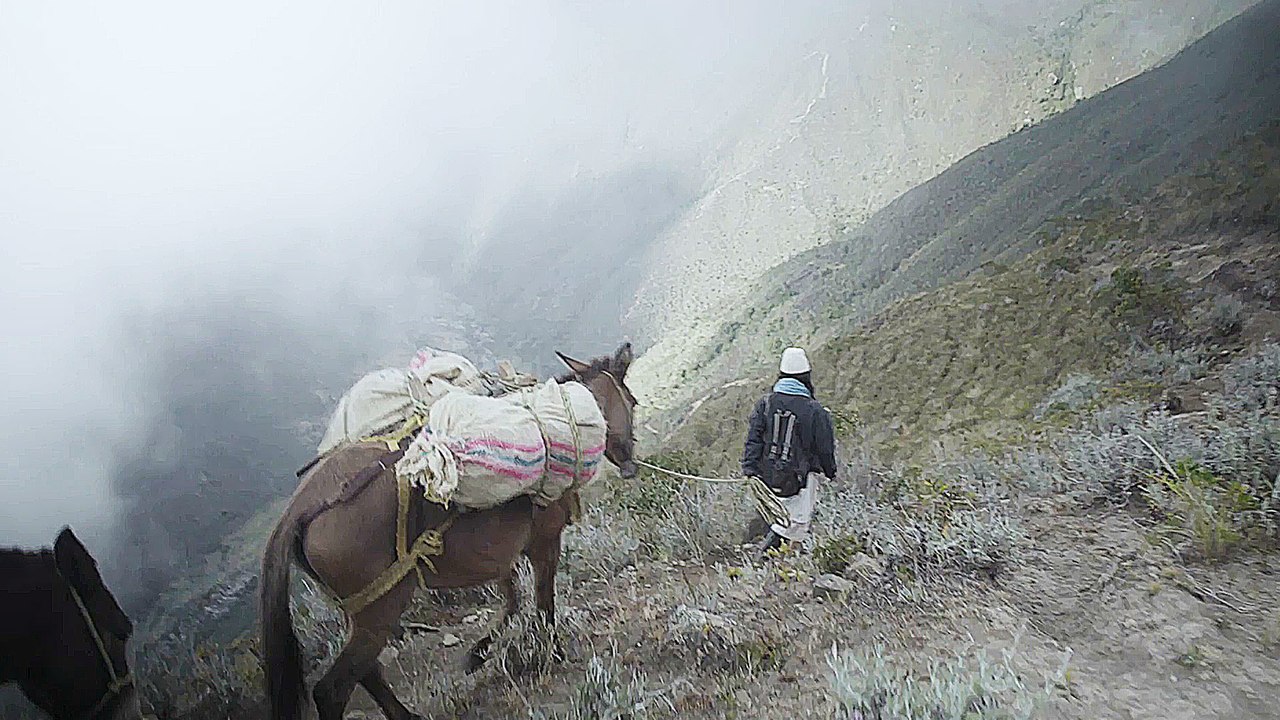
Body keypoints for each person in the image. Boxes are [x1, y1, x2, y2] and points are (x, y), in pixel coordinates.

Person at [741, 347, 837, 556]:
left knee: (777, 516)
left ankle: (780, 559)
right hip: (800, 478)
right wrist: (830, 472)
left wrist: (749, 470)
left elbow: (754, 439)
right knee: (796, 522)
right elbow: (825, 447)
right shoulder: (814, 410)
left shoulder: (765, 404)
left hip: (767, 476)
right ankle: (768, 558)